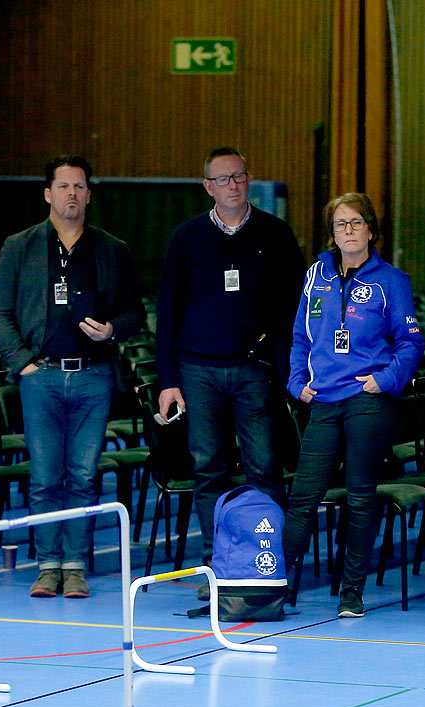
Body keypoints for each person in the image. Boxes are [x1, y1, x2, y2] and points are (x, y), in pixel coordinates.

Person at [0, 155, 145, 597]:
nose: (71, 193)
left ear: (89, 195)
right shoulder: (20, 246)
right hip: (41, 377)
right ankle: (47, 565)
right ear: (48, 194)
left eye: (79, 186)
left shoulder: (111, 248)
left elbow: (135, 312)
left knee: (83, 475)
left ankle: (74, 566)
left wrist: (114, 329)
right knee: (44, 476)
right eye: (63, 186)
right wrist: (22, 362)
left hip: (93, 376)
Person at [155, 147, 306, 573]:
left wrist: (282, 366)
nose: (233, 185)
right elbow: (167, 311)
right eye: (222, 179)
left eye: (239, 176)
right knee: (209, 470)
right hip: (197, 370)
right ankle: (216, 566)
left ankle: (267, 565)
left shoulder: (276, 234)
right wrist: (168, 380)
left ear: (248, 178)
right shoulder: (186, 238)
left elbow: (296, 307)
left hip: (254, 372)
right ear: (208, 187)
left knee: (264, 469)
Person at [281, 193, 423, 617]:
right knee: (304, 497)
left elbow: (411, 341)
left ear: (371, 230)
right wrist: (296, 383)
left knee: (360, 497)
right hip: (322, 400)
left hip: (367, 400)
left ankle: (351, 592)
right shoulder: (315, 275)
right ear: (332, 234)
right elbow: (300, 337)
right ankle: (279, 586)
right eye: (340, 224)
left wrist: (386, 379)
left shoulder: (390, 280)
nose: (348, 231)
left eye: (356, 223)